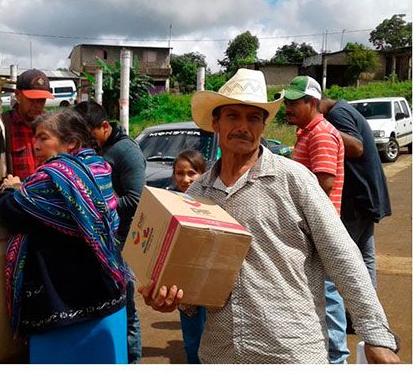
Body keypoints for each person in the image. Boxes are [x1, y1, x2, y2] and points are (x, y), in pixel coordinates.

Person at [138, 68, 400, 364]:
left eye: (253, 118)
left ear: (263, 125)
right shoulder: (198, 193)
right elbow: (195, 275)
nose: (243, 126)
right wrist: (173, 298)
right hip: (221, 353)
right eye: (233, 116)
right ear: (216, 123)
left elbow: (342, 256)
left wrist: (376, 336)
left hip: (291, 352)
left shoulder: (294, 179)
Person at [0, 108, 131, 364]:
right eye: (35, 137)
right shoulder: (99, 168)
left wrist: (10, 189)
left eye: (43, 138)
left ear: (71, 143)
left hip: (64, 308)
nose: (35, 145)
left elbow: (11, 211)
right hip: (107, 296)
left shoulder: (53, 179)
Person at [74, 100, 145, 364]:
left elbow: (137, 200)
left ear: (104, 126)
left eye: (88, 137)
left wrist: (97, 204)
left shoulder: (126, 151)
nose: (85, 143)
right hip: (105, 240)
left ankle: (132, 359)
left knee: (125, 308)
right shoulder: (103, 149)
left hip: (121, 241)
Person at [283, 75, 348, 364]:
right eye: (286, 102)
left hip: (321, 226)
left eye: (295, 103)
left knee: (329, 292)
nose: (288, 108)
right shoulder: (307, 132)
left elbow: (324, 183)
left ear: (313, 103)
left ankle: (336, 358)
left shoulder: (320, 133)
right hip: (310, 225)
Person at [320, 96, 392, 289]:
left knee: (339, 260)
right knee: (365, 255)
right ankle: (370, 315)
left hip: (357, 199)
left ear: (314, 103)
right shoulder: (344, 109)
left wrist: (320, 126)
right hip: (367, 195)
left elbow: (356, 147)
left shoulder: (337, 114)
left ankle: (347, 315)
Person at [0, 69, 54, 185]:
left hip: (45, 200)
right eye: (32, 99)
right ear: (18, 95)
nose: (37, 105)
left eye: (41, 100)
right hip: (13, 201)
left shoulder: (54, 128)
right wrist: (6, 195)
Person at [172, 149, 207, 364]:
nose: (185, 179)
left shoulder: (212, 202)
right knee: (192, 341)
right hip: (185, 283)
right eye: (179, 173)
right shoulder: (170, 201)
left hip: (211, 278)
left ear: (203, 174)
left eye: (192, 173)